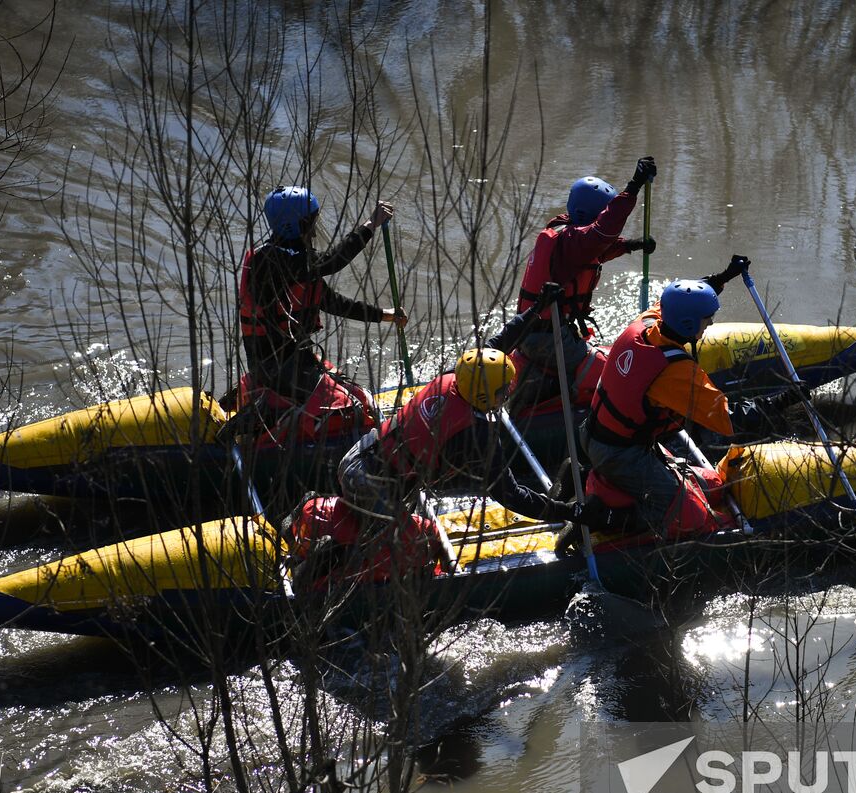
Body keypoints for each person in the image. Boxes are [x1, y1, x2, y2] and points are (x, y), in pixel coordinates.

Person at [575, 256, 783, 536]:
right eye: (706, 319)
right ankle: (605, 518)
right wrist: (784, 399)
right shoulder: (675, 372)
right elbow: (729, 419)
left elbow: (675, 300)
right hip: (620, 455)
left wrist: (723, 277)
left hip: (594, 435)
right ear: (687, 324)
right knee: (690, 518)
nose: (709, 323)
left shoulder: (646, 324)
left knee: (709, 482)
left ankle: (580, 473)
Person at [335, 347, 574, 529]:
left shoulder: (451, 378)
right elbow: (511, 496)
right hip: (370, 486)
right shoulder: (475, 434)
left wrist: (534, 311)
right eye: (503, 391)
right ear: (483, 394)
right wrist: (570, 512)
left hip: (355, 457)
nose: (507, 394)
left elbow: (495, 344)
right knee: (418, 547)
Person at [507, 157, 659, 403]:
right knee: (608, 371)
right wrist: (633, 187)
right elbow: (601, 233)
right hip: (547, 336)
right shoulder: (572, 240)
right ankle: (586, 407)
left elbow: (594, 248)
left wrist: (632, 245)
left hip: (541, 332)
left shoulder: (566, 236)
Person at [238, 186, 406, 402]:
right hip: (277, 368)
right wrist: (371, 225)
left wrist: (386, 315)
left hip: (296, 359)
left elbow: (334, 303)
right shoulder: (272, 263)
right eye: (311, 224)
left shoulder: (295, 263)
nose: (315, 232)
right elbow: (334, 261)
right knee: (355, 404)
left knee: (357, 394)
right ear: (296, 226)